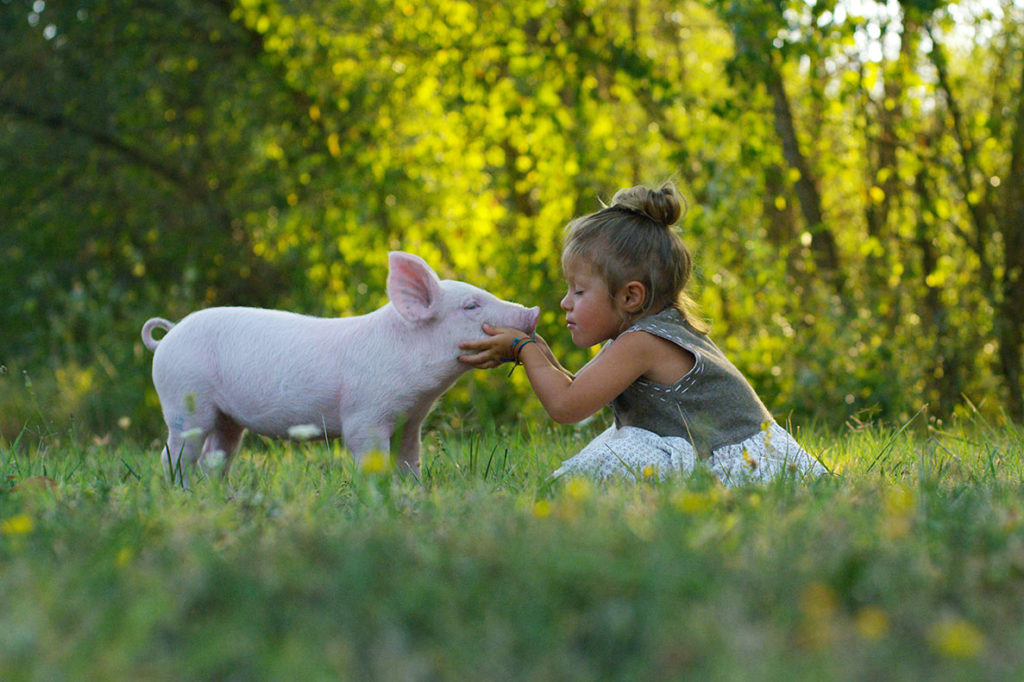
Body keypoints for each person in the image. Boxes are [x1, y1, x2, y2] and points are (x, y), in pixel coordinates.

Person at [458, 181, 827, 484]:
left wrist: (525, 348)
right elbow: (580, 388)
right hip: (717, 450)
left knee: (594, 473)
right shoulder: (652, 332)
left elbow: (568, 406)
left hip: (740, 466)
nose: (565, 303)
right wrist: (534, 347)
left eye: (579, 291)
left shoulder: (642, 342)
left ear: (631, 296)